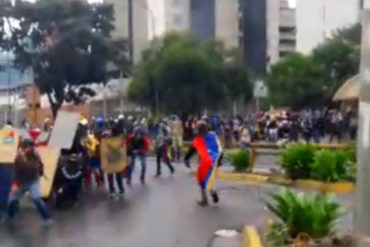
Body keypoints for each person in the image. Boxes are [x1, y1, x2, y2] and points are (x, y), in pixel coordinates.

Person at [7, 138, 52, 227]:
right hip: (21, 181)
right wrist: (15, 184)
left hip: (32, 181)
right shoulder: (19, 157)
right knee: (12, 201)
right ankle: (11, 216)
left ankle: (47, 218)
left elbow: (36, 167)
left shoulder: (35, 155)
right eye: (25, 147)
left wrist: (26, 163)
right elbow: (16, 172)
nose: (27, 149)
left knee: (37, 199)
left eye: (28, 147)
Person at [184, 121, 222, 206]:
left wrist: (186, 159)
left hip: (205, 161)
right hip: (211, 161)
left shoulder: (200, 138)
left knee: (201, 180)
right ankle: (212, 192)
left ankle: (205, 199)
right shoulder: (212, 136)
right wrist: (219, 162)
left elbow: (192, 149)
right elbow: (219, 150)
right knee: (205, 180)